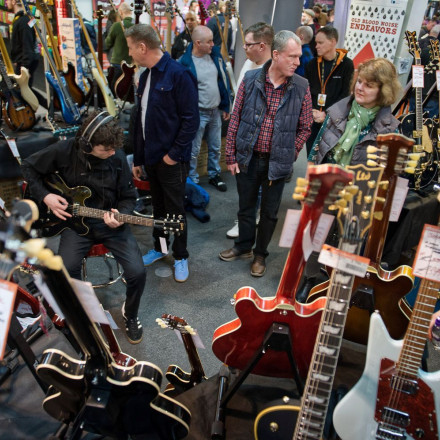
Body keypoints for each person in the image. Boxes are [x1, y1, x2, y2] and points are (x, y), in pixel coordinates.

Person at [21, 111, 146, 345]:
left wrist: (123, 214)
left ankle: (130, 313)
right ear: (88, 144)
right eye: (105, 149)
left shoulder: (117, 157)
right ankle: (86, 312)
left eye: (114, 149)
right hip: (74, 225)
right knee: (67, 269)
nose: (112, 153)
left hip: (111, 224)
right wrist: (46, 196)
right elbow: (28, 167)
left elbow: (129, 197)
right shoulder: (64, 150)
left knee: (138, 271)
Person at [219, 30, 313, 277]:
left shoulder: (302, 86)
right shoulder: (250, 79)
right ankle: (243, 247)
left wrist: (290, 152)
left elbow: (305, 127)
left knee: (270, 213)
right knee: (245, 208)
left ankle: (260, 254)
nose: (297, 62)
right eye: (292, 56)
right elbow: (236, 117)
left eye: (299, 56)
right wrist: (231, 155)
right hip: (248, 157)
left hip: (277, 163)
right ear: (275, 55)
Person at [125, 24, 199, 283]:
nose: (130, 53)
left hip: (171, 160)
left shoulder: (180, 75)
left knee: (175, 210)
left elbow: (191, 121)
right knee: (158, 208)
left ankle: (180, 256)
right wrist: (139, 157)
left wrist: (173, 155)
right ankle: (160, 248)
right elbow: (141, 120)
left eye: (131, 47)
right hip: (151, 159)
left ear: (142, 47)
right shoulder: (145, 76)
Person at [226, 21, 274, 239]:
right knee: (245, 188)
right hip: (245, 140)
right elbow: (239, 104)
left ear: (262, 46)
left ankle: (254, 220)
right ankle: (246, 219)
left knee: (260, 187)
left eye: (248, 44)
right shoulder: (249, 64)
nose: (244, 48)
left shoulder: (276, 73)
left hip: (264, 144)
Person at [308, 57, 401, 166]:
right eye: (359, 81)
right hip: (324, 179)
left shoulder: (389, 130)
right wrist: (309, 176)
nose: (360, 88)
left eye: (369, 85)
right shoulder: (337, 111)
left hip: (359, 182)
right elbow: (316, 148)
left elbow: (387, 174)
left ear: (384, 91)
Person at [179, 25, 230, 191]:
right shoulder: (185, 63)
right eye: (209, 42)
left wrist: (226, 106)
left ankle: (214, 174)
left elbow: (223, 81)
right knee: (194, 150)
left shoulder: (215, 56)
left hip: (215, 111)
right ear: (198, 43)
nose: (212, 44)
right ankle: (192, 179)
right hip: (197, 113)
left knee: (215, 147)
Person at [304, 26, 354, 156]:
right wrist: (312, 111)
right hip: (313, 118)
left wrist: (327, 115)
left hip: (333, 121)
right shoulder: (312, 64)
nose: (316, 46)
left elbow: (345, 95)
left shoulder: (346, 65)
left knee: (327, 159)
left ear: (332, 42)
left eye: (320, 43)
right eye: (316, 43)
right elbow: (306, 92)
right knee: (311, 156)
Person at [7, 0, 45, 106]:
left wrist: (24, 65)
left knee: (25, 91)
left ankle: (48, 106)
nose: (6, 2)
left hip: (26, 61)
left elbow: (27, 45)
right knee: (25, 90)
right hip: (24, 60)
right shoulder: (20, 19)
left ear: (14, 1)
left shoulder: (23, 21)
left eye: (8, 0)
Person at [105, 2, 134, 95]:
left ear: (120, 12)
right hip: (133, 62)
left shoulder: (117, 26)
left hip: (118, 62)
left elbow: (107, 43)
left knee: (115, 86)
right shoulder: (138, 25)